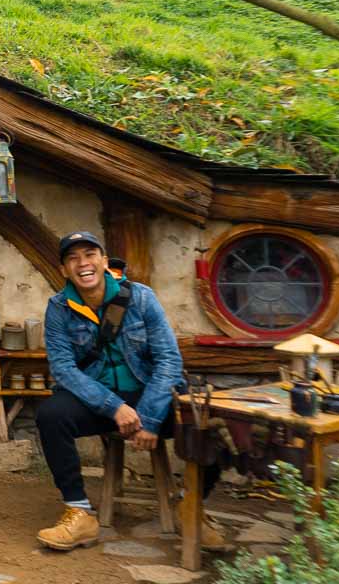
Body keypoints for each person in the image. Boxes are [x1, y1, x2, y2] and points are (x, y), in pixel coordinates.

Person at [34, 230, 226, 551]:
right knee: (51, 416)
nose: (83, 263)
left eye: (90, 255)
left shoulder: (141, 298)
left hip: (151, 395)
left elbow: (168, 360)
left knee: (215, 421)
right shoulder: (58, 308)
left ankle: (190, 505)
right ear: (64, 270)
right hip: (100, 401)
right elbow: (63, 370)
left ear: (104, 262)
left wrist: (150, 418)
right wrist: (114, 407)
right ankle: (80, 512)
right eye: (73, 258)